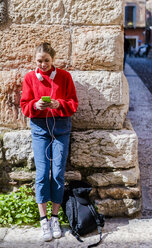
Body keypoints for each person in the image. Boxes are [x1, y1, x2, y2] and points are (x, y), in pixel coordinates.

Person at [20, 42, 78, 241]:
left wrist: (58, 103)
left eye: (46, 61)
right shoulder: (29, 78)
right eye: (39, 61)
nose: (43, 64)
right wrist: (35, 104)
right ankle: (43, 219)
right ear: (34, 60)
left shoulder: (64, 77)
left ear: (53, 59)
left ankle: (55, 217)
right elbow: (24, 105)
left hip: (61, 128)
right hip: (39, 128)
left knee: (58, 174)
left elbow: (73, 104)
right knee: (43, 174)